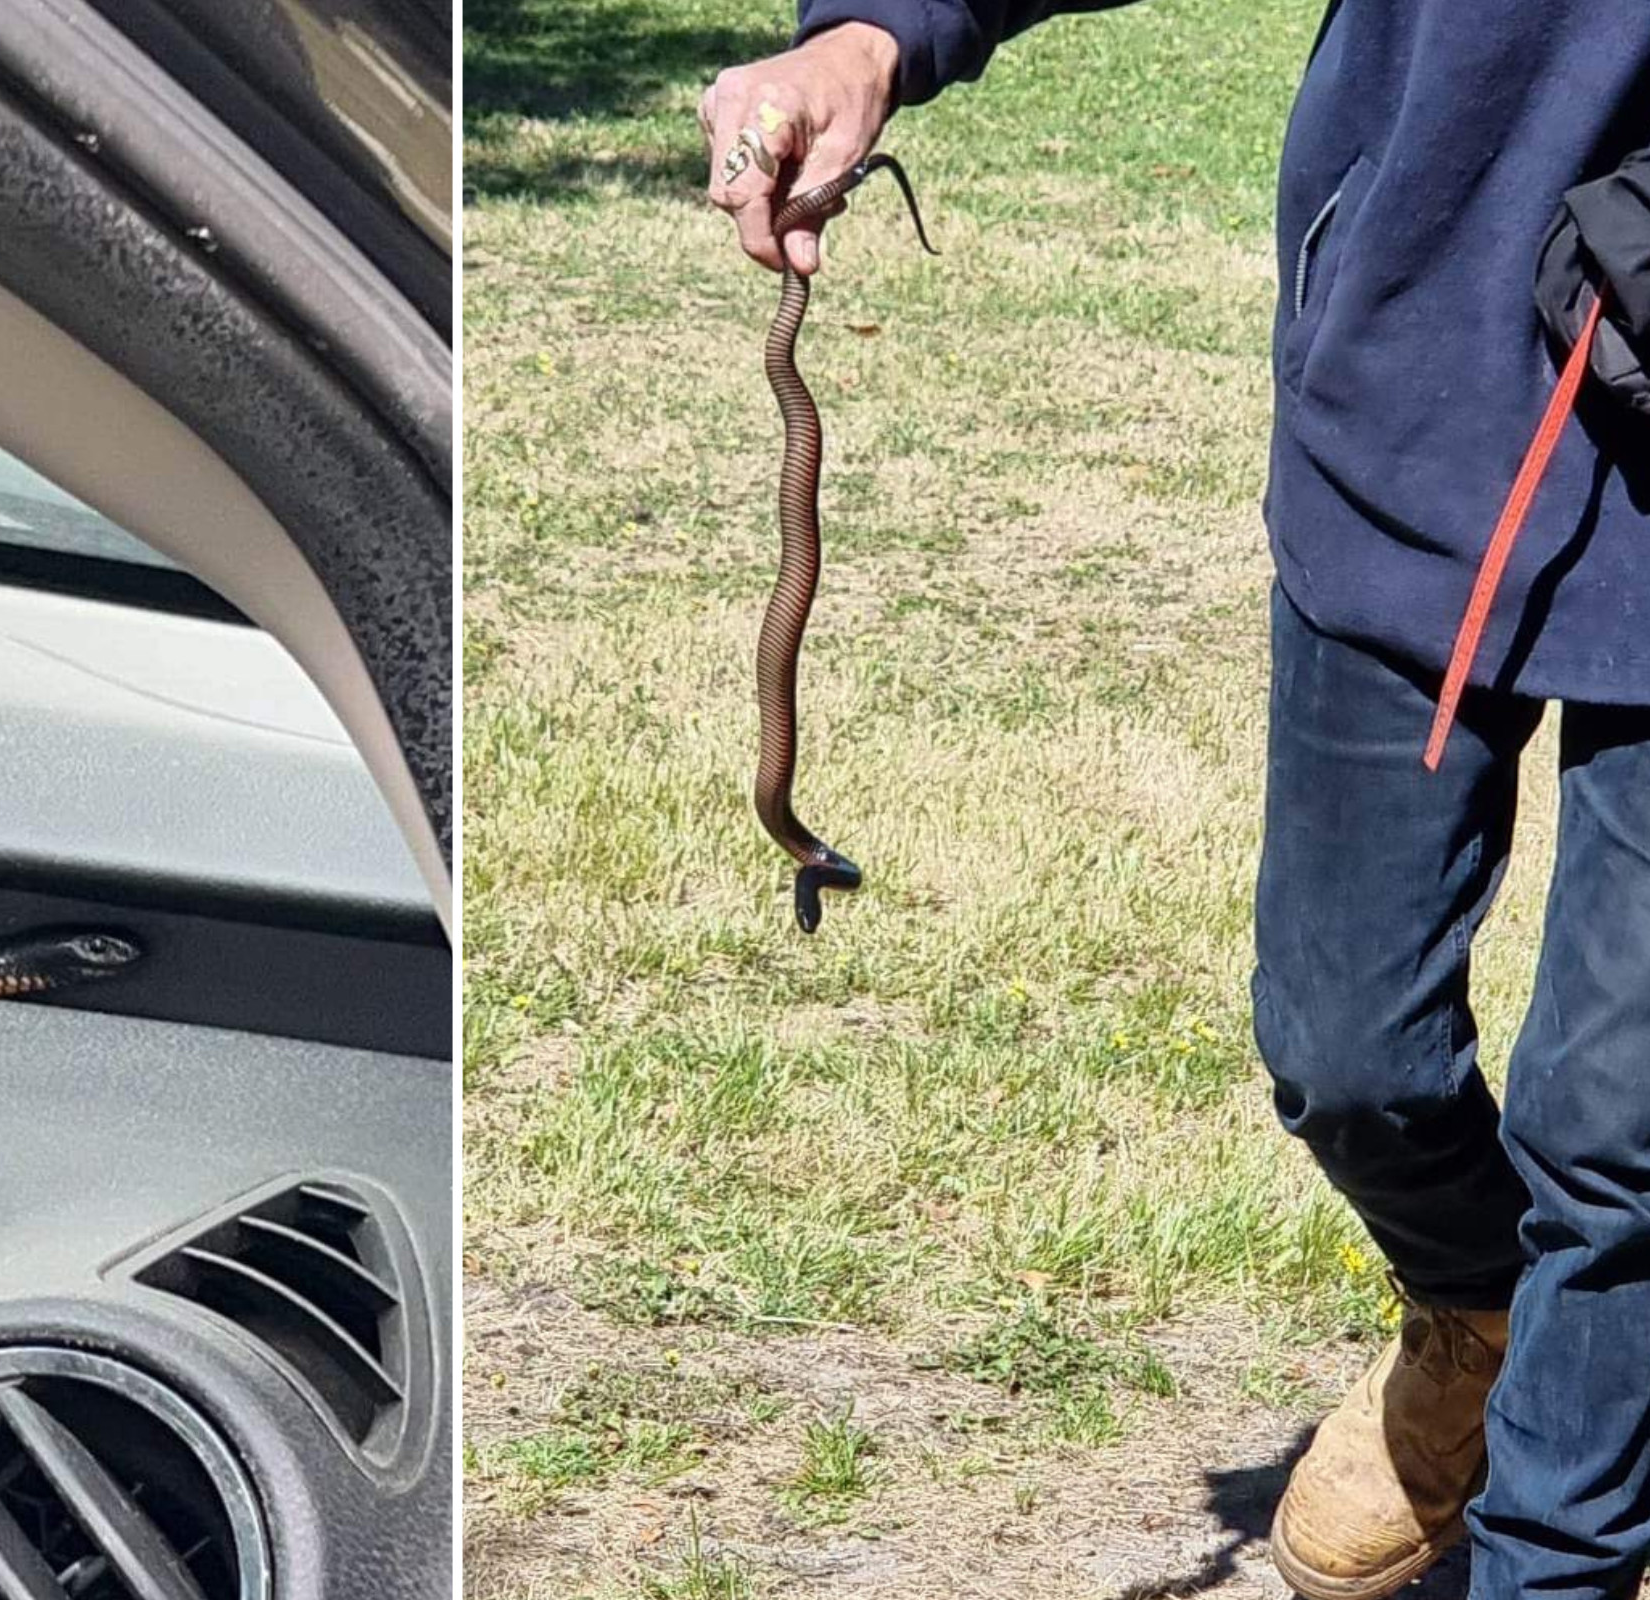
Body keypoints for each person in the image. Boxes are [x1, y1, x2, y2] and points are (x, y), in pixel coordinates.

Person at [701, 8, 1650, 1600]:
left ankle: (1555, 1551)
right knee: (1346, 1045)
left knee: (1623, 1136)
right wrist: (870, 32)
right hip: (1424, 398)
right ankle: (1486, 1317)